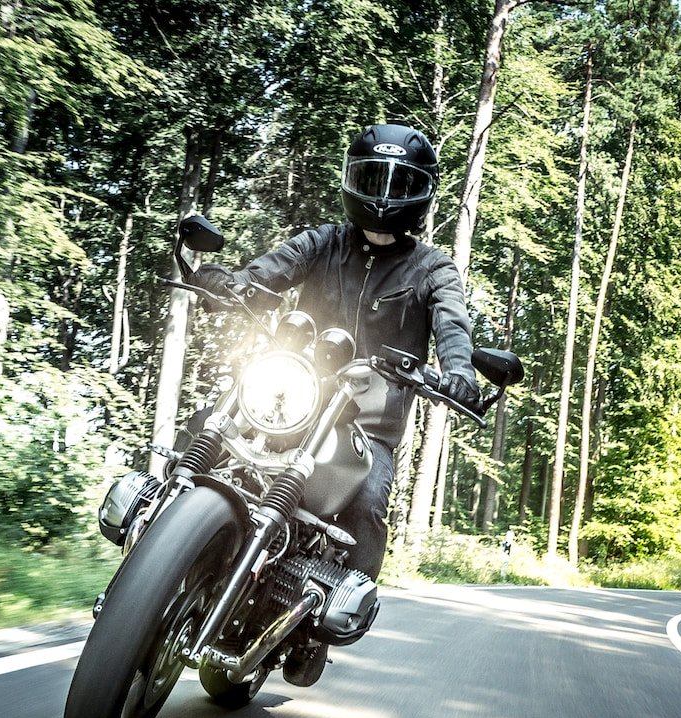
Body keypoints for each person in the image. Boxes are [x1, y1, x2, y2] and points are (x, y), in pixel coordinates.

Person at [188, 123, 477, 580]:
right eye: (371, 179)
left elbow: (452, 321)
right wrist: (231, 285)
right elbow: (269, 273)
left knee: (365, 503)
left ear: (421, 193)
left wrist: (460, 373)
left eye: (398, 183)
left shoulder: (433, 268)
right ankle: (162, 541)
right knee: (207, 425)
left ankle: (338, 602)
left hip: (366, 422)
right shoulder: (324, 241)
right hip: (289, 396)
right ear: (351, 179)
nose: (383, 196)